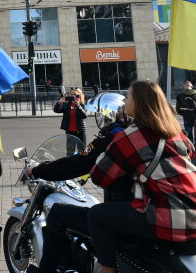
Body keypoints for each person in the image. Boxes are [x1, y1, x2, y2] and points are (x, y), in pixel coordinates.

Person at [89, 81, 196, 273]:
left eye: (129, 96)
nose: (125, 101)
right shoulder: (176, 133)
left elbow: (99, 176)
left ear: (139, 102)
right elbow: (191, 155)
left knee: (97, 215)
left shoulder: (132, 136)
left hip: (172, 221)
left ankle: (108, 270)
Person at [30, 106, 132, 273]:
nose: (120, 108)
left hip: (129, 215)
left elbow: (81, 165)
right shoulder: (170, 135)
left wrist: (37, 170)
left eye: (126, 103)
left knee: (58, 212)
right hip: (158, 213)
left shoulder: (121, 137)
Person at [175, 80, 196, 165]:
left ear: (184, 86)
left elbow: (178, 109)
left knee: (189, 138)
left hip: (187, 118)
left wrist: (183, 114)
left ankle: (192, 155)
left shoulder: (180, 96)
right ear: (192, 86)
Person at [53, 86, 87, 151]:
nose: (73, 96)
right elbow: (56, 110)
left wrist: (78, 106)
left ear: (79, 96)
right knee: (70, 151)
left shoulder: (81, 105)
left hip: (80, 130)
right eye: (71, 94)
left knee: (82, 150)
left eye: (75, 95)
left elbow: (84, 116)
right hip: (70, 131)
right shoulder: (67, 104)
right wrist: (59, 103)